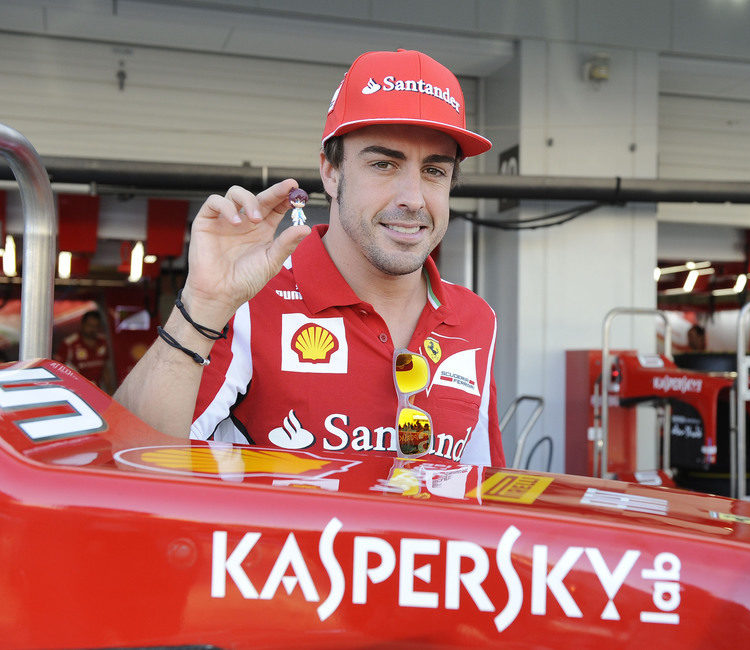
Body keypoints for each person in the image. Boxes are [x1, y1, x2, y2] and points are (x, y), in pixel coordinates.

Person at [115, 49, 505, 467]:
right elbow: (126, 459)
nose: (413, 199)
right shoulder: (252, 300)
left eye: (434, 171)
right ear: (330, 173)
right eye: (384, 164)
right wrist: (203, 303)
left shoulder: (474, 318)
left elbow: (483, 493)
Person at [56, 309, 114, 391]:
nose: (93, 329)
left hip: (97, 391)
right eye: (90, 325)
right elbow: (58, 371)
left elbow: (105, 370)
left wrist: (110, 393)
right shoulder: (69, 343)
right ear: (83, 324)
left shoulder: (103, 342)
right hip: (75, 391)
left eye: (96, 326)